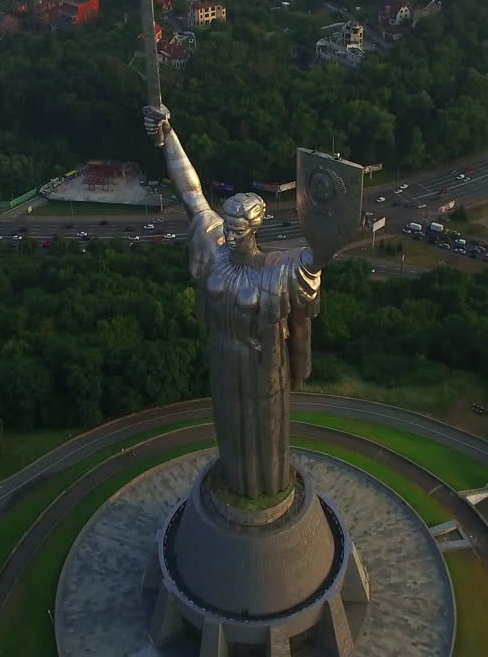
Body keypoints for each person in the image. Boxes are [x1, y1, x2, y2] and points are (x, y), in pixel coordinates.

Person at [144, 105, 342, 499]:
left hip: (262, 364)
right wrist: (168, 135)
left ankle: (267, 494)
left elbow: (316, 258)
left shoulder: (276, 272)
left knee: (265, 434)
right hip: (222, 354)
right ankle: (234, 484)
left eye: (239, 229)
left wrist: (331, 224)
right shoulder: (212, 244)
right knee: (228, 426)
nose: (231, 235)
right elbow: (190, 190)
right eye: (228, 227)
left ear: (254, 227)